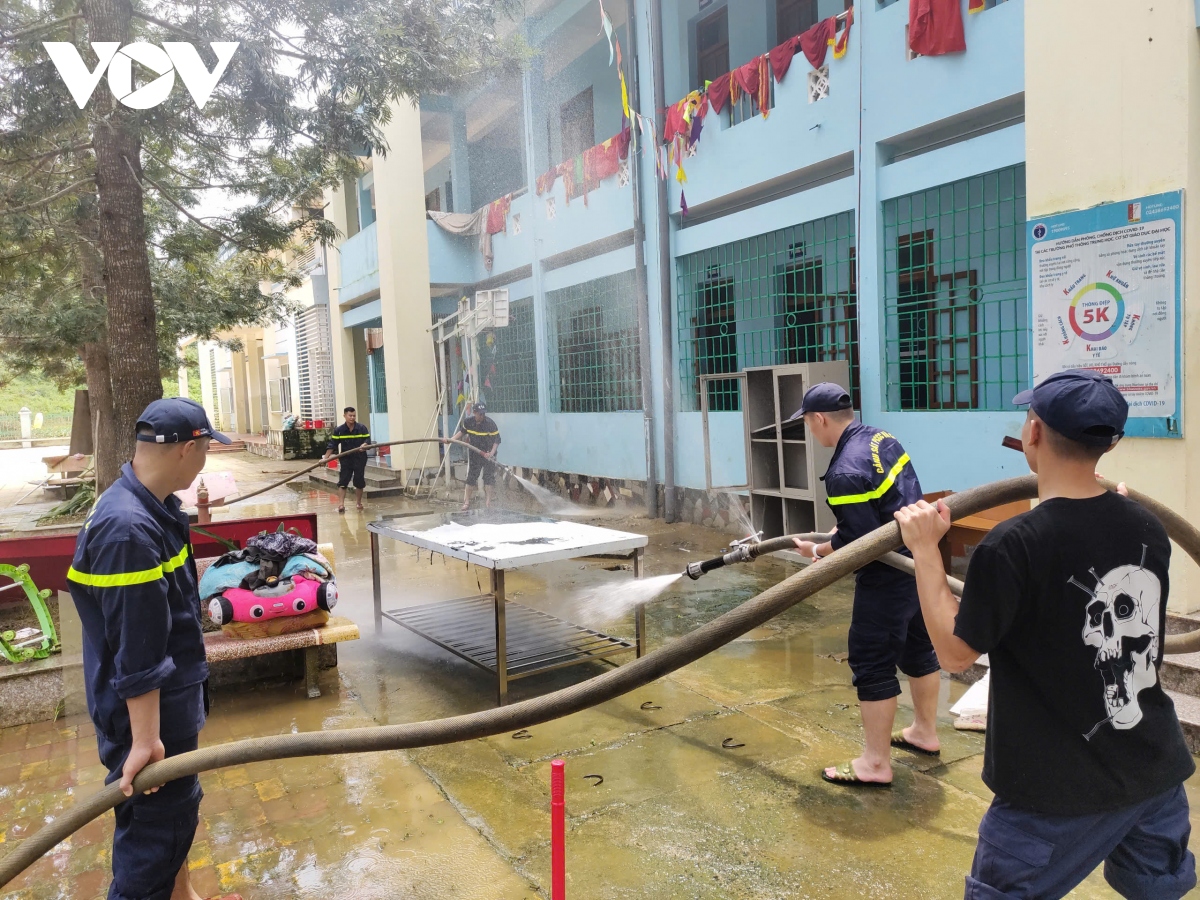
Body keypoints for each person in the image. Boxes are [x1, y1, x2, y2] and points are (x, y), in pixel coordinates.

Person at [895, 369, 1196, 899]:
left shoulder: (1012, 545)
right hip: (1154, 771)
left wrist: (924, 551)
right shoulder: (1146, 524)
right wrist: (1118, 508)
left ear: (1032, 432)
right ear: (1112, 442)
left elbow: (953, 652)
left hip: (1051, 792)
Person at [68, 398, 241, 900]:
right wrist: (146, 742)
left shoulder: (147, 507)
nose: (207, 458)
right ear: (189, 449)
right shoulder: (129, 531)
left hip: (168, 708)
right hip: (151, 721)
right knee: (154, 839)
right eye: (207, 447)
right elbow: (138, 650)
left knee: (173, 822)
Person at [787, 382, 942, 787]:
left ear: (818, 419)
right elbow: (879, 510)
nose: (810, 432)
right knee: (919, 647)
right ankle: (925, 731)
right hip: (919, 564)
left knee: (871, 660)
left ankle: (875, 764)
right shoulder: (880, 438)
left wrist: (818, 552)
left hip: (886, 575)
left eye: (807, 423)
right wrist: (832, 537)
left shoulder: (843, 471)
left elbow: (859, 545)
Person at [452, 401, 501, 511]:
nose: (482, 416)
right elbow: (462, 432)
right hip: (475, 454)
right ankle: (466, 502)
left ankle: (488, 502)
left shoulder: (490, 423)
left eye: (483, 413)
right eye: (480, 414)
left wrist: (491, 453)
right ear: (474, 413)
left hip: (489, 455)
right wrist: (451, 440)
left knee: (488, 478)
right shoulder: (468, 422)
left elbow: (497, 440)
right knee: (471, 478)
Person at [321, 407, 371, 513]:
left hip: (359, 458)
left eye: (354, 416)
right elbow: (332, 445)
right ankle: (341, 505)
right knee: (343, 481)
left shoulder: (362, 428)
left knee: (359, 480)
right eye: (350, 415)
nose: (352, 418)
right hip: (346, 459)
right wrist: (325, 458)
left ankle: (358, 503)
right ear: (344, 416)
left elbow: (368, 440)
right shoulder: (339, 430)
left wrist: (365, 445)